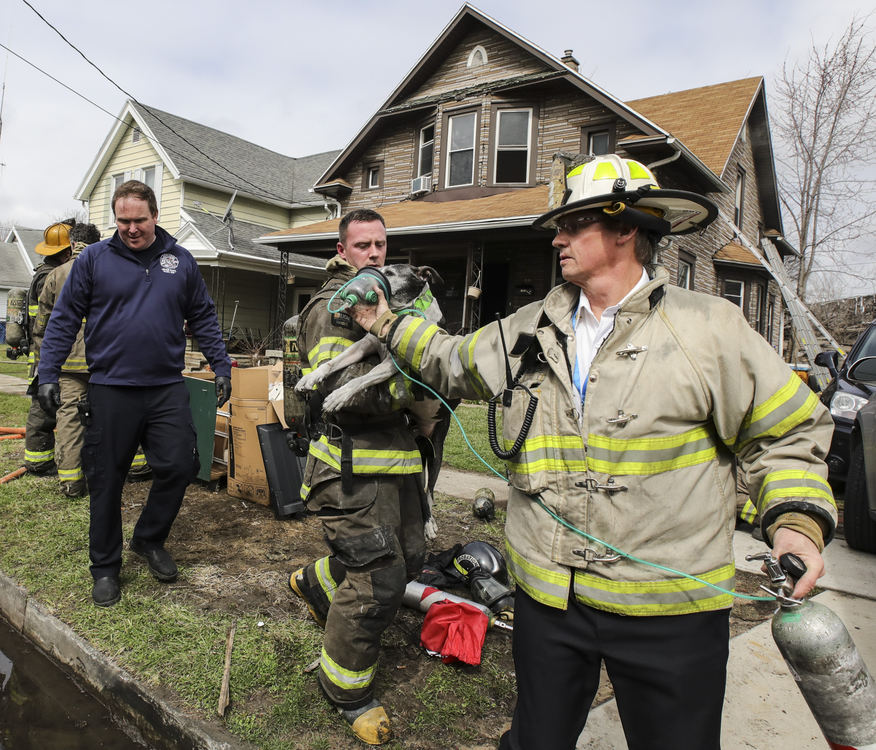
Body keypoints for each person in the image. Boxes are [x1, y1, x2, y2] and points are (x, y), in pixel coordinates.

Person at [352, 154, 838, 750]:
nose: (557, 238)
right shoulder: (531, 328)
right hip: (551, 602)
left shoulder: (709, 330)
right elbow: (449, 361)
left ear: (626, 228)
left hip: (671, 611)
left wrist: (795, 524)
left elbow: (787, 432)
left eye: (574, 224)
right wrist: (383, 320)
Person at [36, 180, 233, 608]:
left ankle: (148, 538)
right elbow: (65, 317)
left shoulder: (179, 262)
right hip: (110, 388)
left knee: (180, 466)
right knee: (106, 480)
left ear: (156, 216)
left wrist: (221, 365)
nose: (131, 228)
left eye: (139, 220)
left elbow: (202, 315)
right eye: (123, 220)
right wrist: (48, 372)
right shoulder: (94, 260)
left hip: (165, 387)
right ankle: (105, 567)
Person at [286, 208, 426, 745]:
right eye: (362, 245)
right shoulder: (332, 308)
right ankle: (344, 688)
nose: (374, 254)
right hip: (346, 466)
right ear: (342, 252)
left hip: (394, 459)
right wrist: (421, 374)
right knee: (379, 579)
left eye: (381, 245)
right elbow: (348, 393)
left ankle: (317, 583)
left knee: (410, 558)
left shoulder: (390, 301)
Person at [32, 222, 151, 498]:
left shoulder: (56, 275)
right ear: (98, 242)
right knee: (122, 413)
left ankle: (72, 483)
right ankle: (135, 467)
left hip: (68, 364)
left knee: (70, 418)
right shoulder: (112, 269)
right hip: (107, 360)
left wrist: (46, 364)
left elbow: (43, 326)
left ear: (72, 245)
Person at [23, 219, 75, 475]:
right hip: (46, 352)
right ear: (66, 252)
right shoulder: (51, 279)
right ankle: (39, 461)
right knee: (43, 408)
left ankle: (39, 458)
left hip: (42, 350)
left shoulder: (41, 274)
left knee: (46, 404)